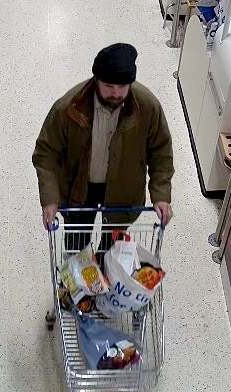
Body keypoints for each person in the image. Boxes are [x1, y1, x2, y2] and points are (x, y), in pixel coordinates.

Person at [32, 43, 174, 242]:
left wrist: (161, 195)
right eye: (108, 86)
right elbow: (45, 153)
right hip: (79, 190)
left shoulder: (148, 108)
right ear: (96, 80)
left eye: (122, 87)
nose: (116, 93)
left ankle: (106, 267)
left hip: (123, 191)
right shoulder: (69, 107)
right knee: (76, 243)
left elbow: (161, 153)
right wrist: (50, 198)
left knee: (113, 247)